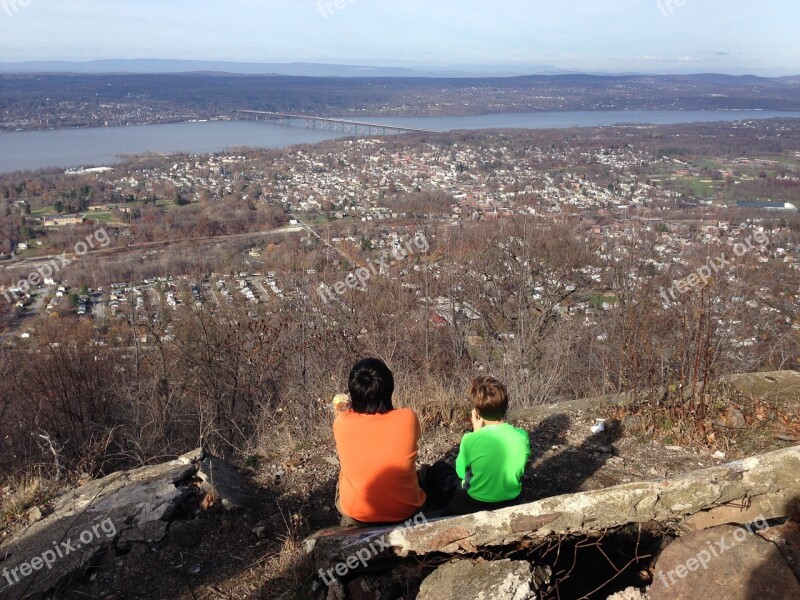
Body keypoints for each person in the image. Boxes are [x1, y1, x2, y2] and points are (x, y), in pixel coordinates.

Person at [333, 358, 426, 525]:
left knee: (342, 478)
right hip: (405, 513)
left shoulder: (341, 423)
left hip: (357, 515)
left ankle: (349, 525)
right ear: (389, 389)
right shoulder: (408, 418)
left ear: (353, 393)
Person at [420, 375, 530, 515]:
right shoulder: (522, 436)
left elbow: (461, 473)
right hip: (511, 500)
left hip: (472, 503)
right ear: (505, 406)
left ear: (477, 412)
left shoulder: (470, 440)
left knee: (439, 469)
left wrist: (476, 432)